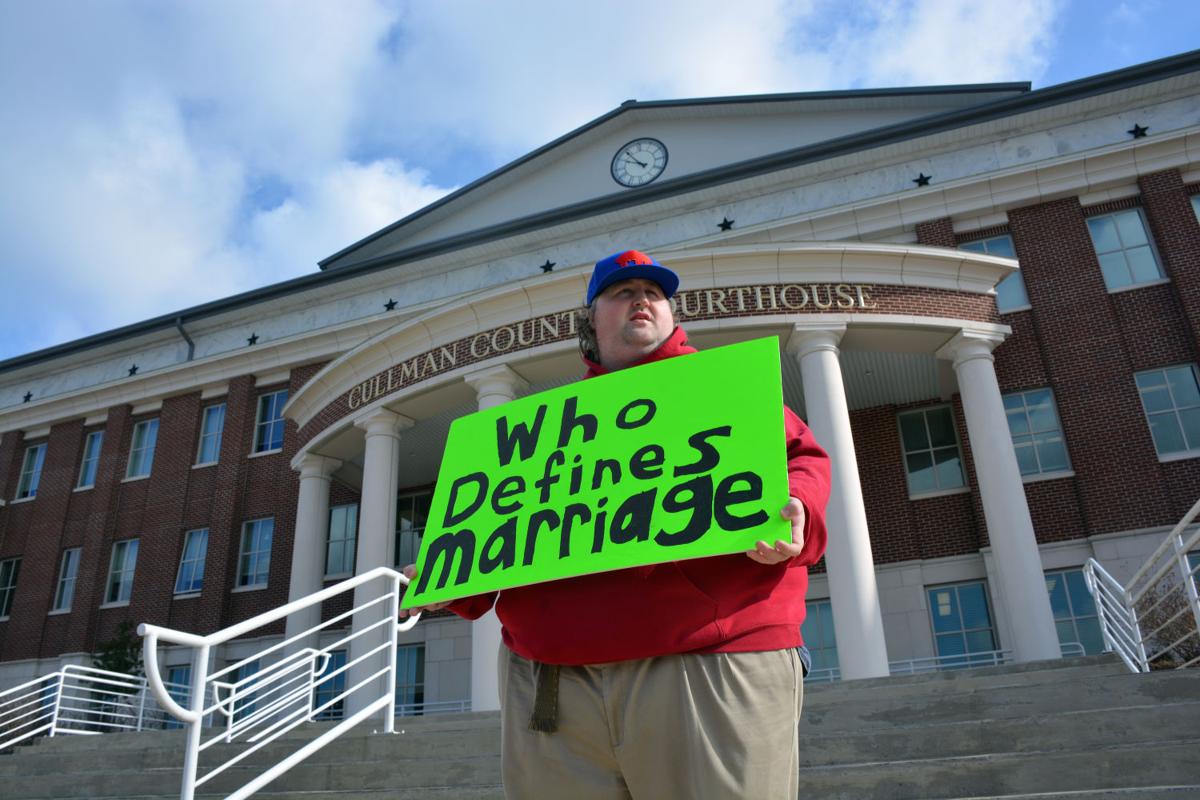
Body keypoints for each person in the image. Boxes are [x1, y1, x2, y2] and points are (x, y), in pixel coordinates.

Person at [403, 249, 830, 799]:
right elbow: (513, 527)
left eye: (655, 293)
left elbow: (803, 462)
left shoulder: (726, 388)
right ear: (590, 319)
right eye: (623, 292)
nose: (643, 299)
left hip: (705, 662)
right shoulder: (542, 432)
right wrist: (449, 575)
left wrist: (798, 505)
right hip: (548, 678)